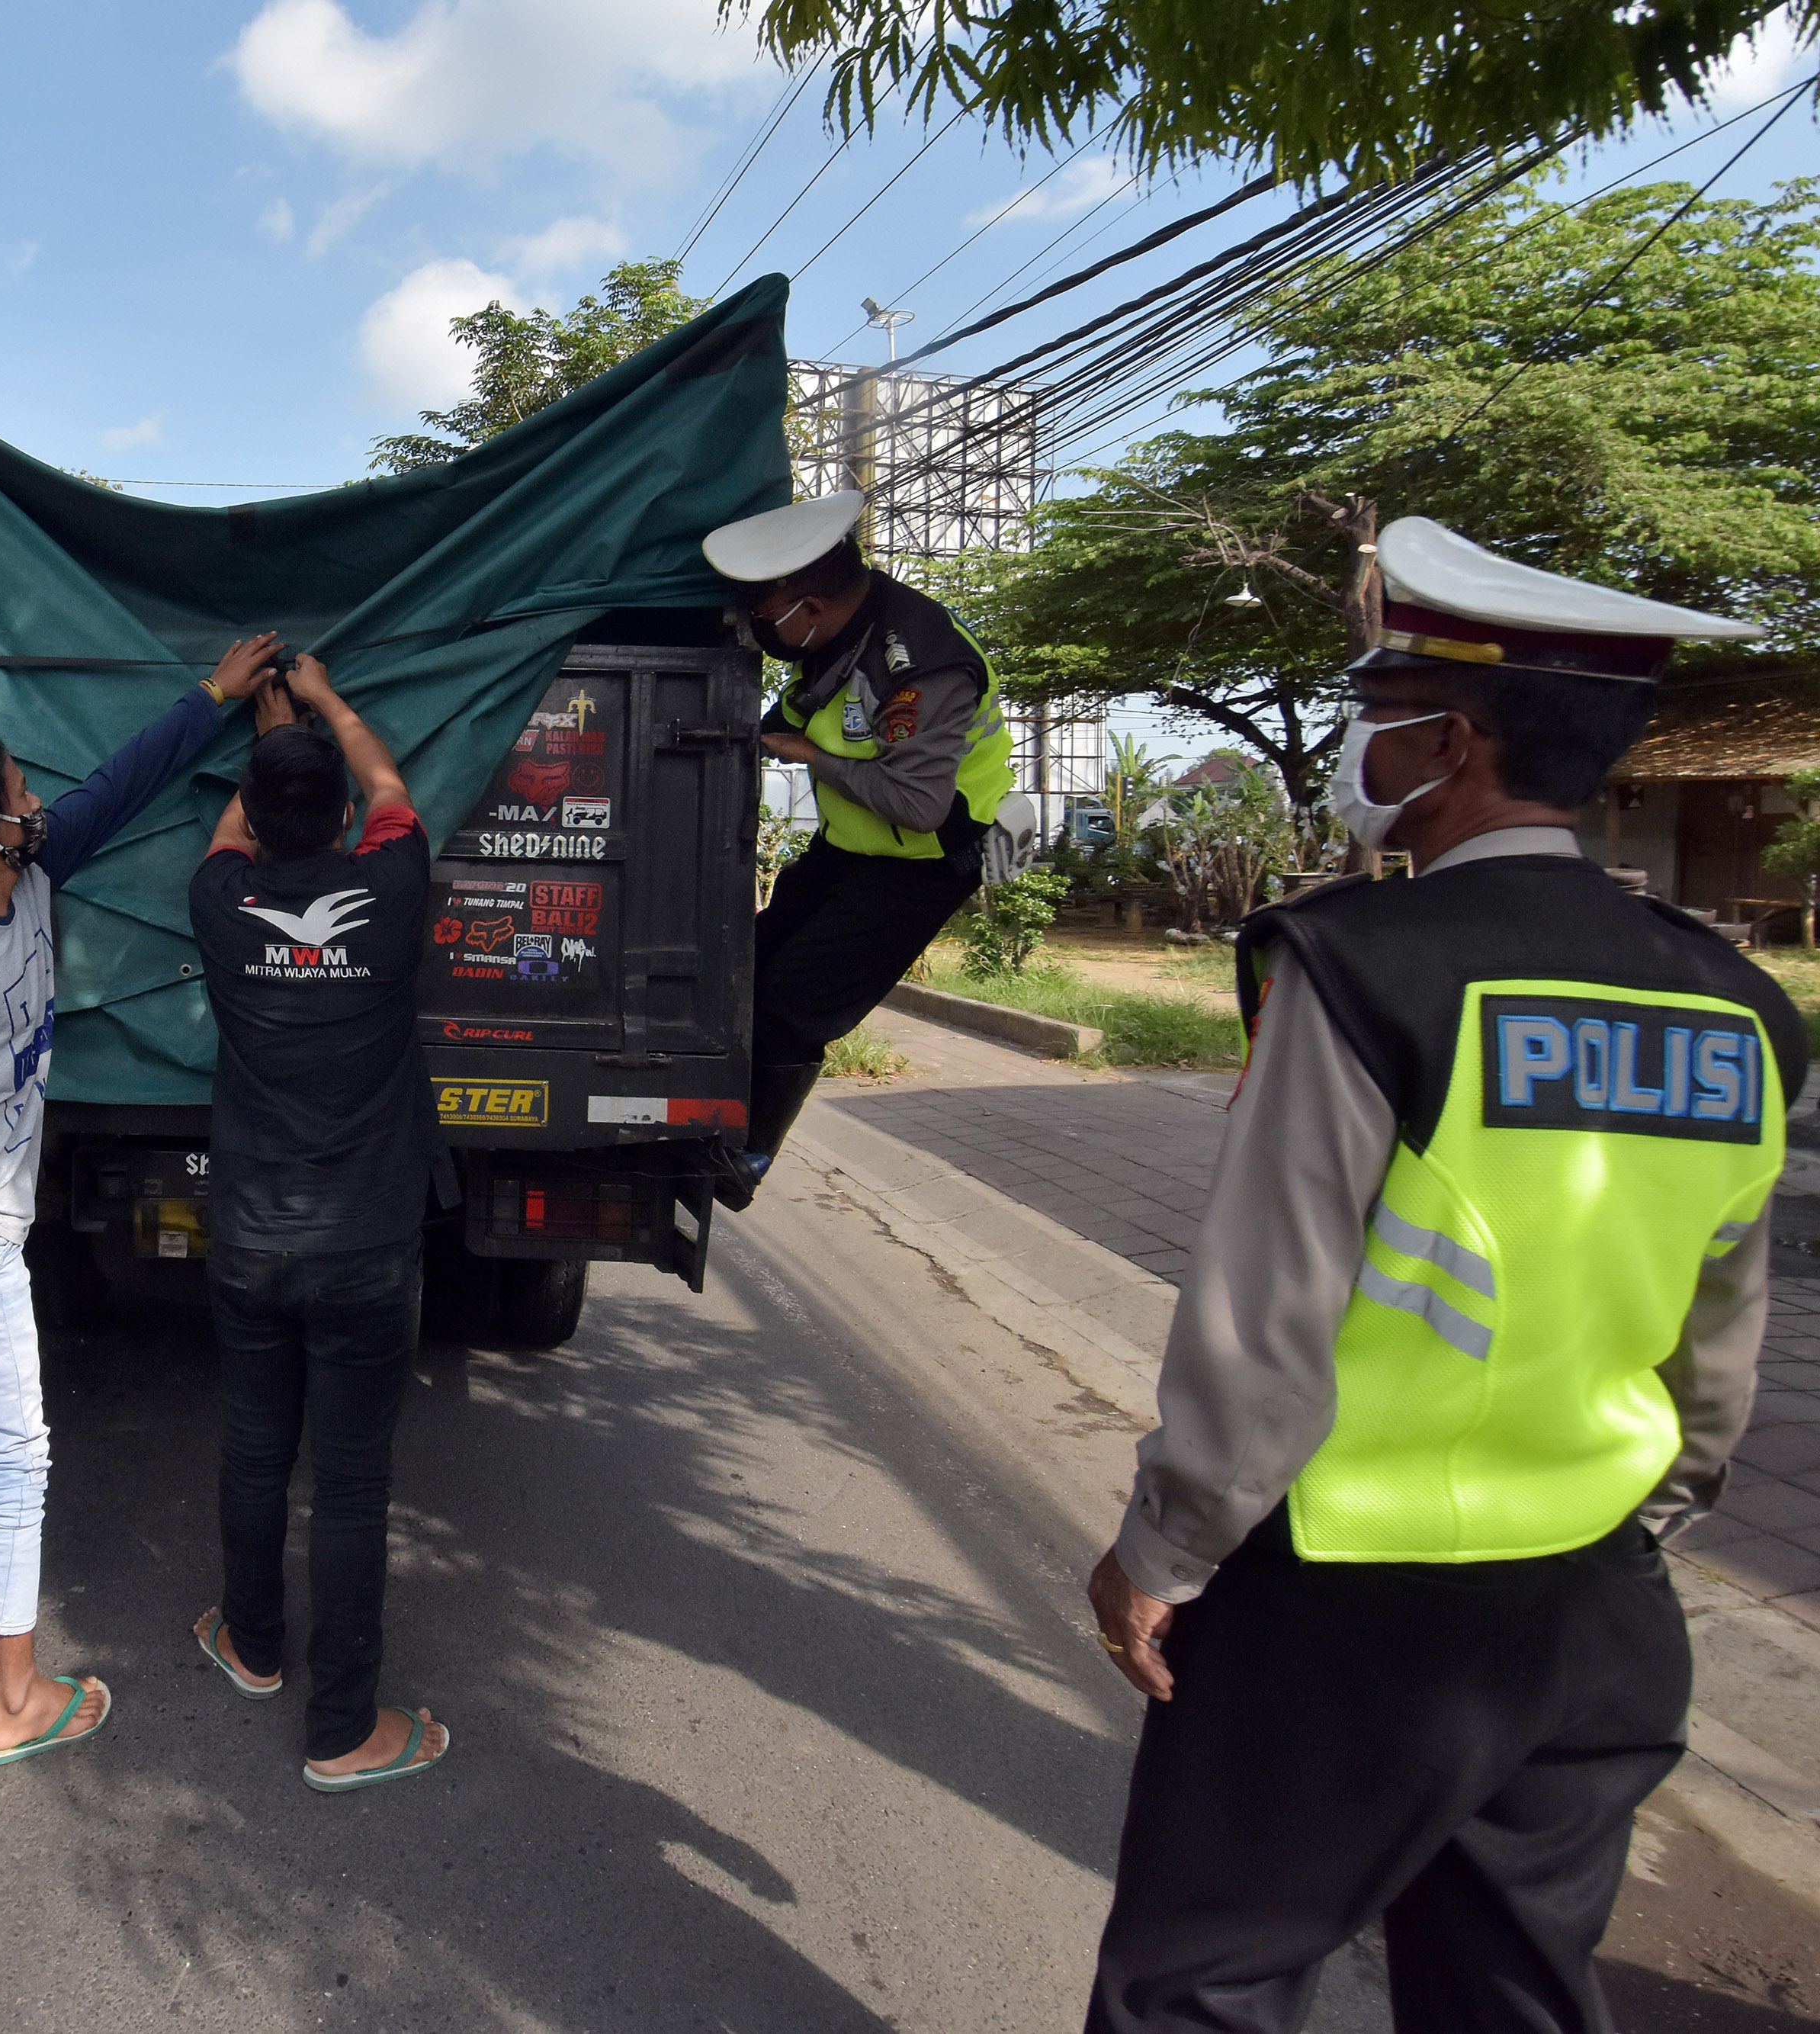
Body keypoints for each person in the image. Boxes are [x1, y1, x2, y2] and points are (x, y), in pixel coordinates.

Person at [1080, 518, 1802, 2032]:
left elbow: (1268, 1312)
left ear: (1452, 742)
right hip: (1598, 1610)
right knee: (1511, 1994)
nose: (1364, 738)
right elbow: (1717, 1336)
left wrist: (1164, 1546)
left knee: (1202, 1983)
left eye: (1382, 708)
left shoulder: (1361, 965)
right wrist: (1642, 1520)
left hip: (1350, 1604)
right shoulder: (1735, 1003)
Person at [0, 631, 278, 1766]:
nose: (37, 802)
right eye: (18, 792)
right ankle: (13, 1703)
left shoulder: (31, 879)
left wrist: (214, 697)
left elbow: (118, 784)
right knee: (15, 1459)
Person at [185, 654, 453, 1794]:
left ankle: (251, 1644)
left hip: (250, 1237)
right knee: (349, 1485)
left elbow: (232, 832)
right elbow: (388, 782)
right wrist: (327, 702)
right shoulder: (392, 883)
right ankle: (342, 1729)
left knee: (254, 1449)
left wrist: (267, 731)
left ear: (251, 816)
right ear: (344, 820)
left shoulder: (218, 900)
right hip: (365, 1244)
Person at [698, 487, 1016, 1209]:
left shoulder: (920, 666)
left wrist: (812, 756)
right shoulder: (843, 635)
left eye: (765, 614)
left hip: (923, 862)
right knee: (746, 965)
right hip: (853, 849)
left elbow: (919, 804)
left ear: (809, 608)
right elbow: (792, 716)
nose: (759, 626)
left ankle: (746, 1156)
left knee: (794, 1001)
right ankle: (712, 1115)